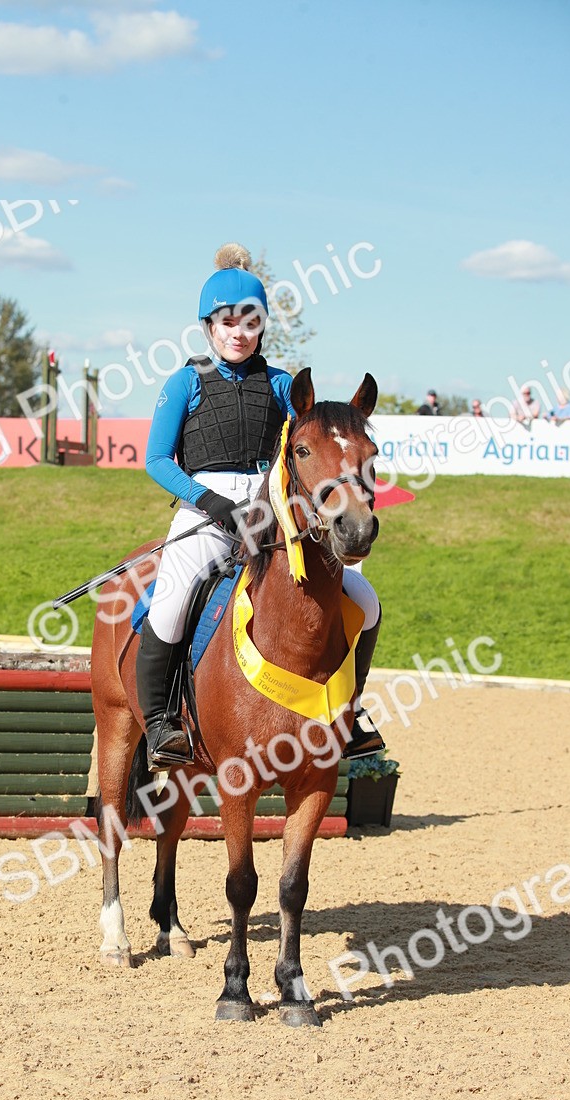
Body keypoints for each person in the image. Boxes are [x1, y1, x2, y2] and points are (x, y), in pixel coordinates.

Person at [139, 242, 384, 768]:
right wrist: (210, 502)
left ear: (261, 327)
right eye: (227, 323)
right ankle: (161, 724)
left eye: (249, 323)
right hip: (204, 510)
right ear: (209, 327)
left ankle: (350, 710)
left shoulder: (281, 385)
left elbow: (311, 449)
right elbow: (157, 460)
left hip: (270, 512)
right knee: (172, 601)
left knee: (365, 603)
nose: (238, 333)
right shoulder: (184, 382)